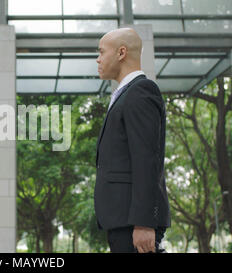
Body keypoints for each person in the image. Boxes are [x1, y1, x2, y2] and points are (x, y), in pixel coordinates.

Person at [94, 28, 171, 253]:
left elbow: (147, 159)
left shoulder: (140, 91)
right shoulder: (125, 94)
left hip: (134, 222)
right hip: (123, 220)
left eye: (101, 52)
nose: (97, 59)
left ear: (121, 53)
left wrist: (145, 222)